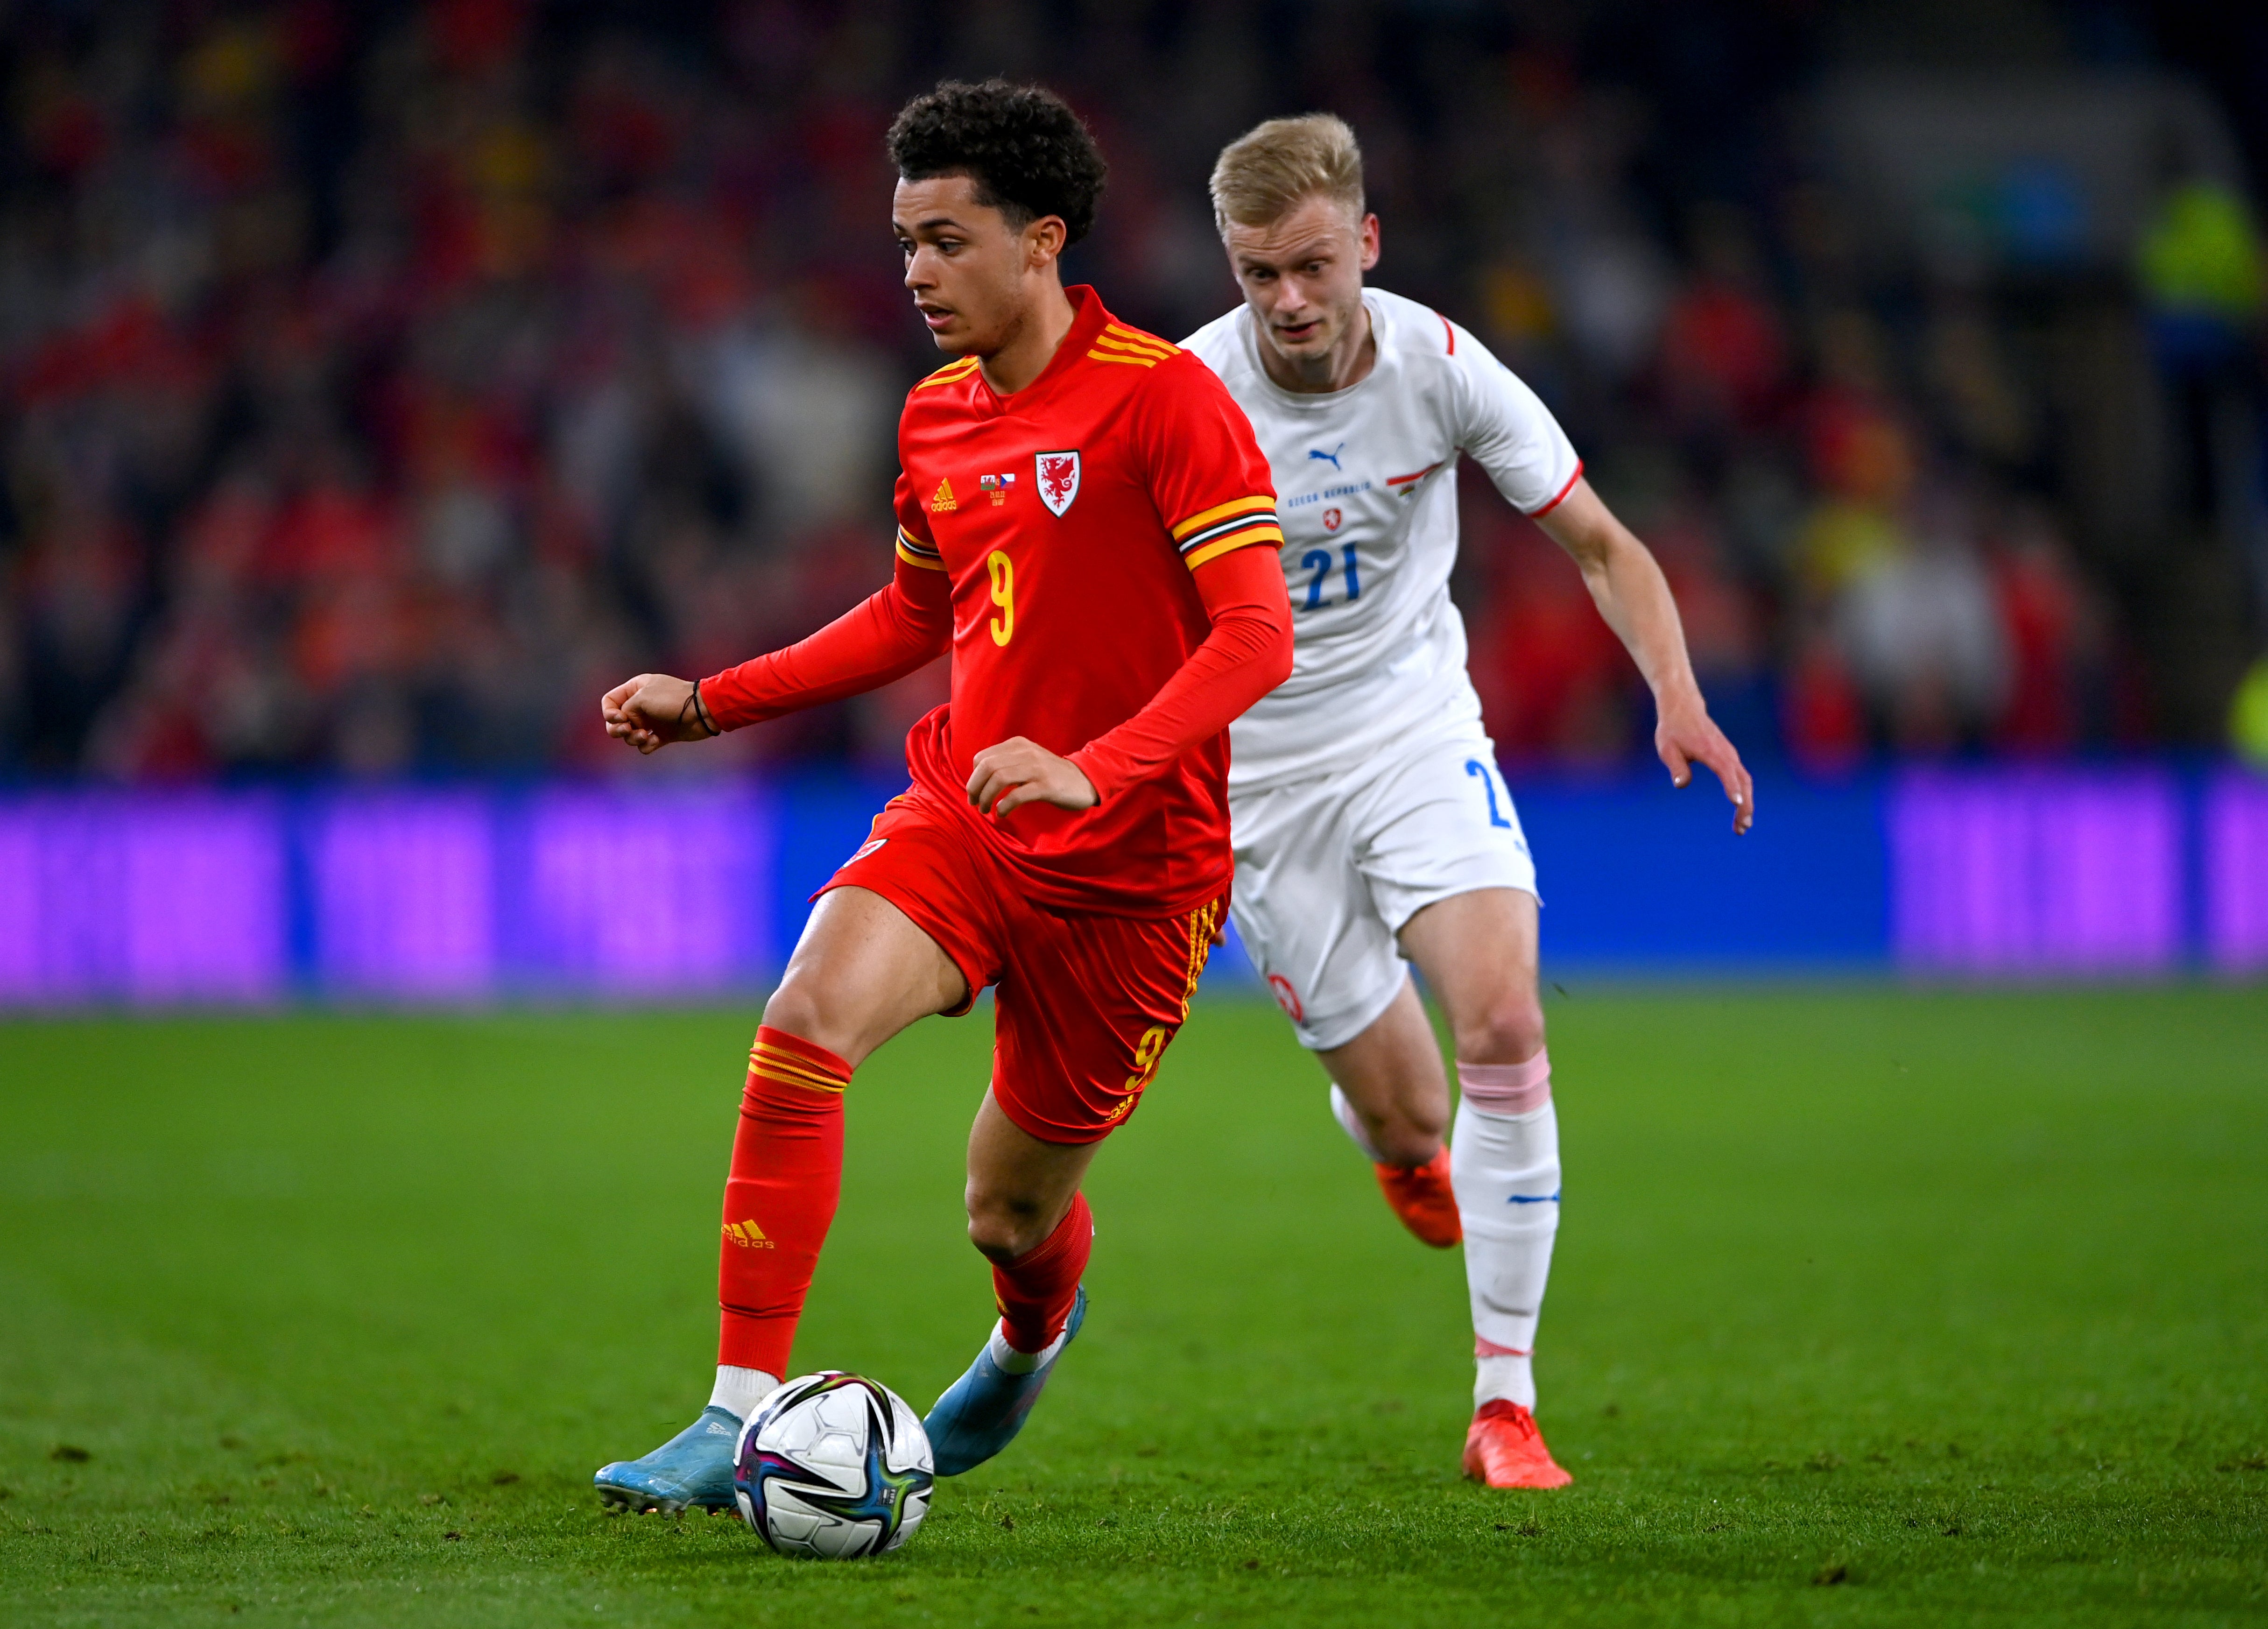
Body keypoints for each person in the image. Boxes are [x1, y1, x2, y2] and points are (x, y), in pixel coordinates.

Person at [590, 81, 1293, 1513]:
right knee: (803, 1016)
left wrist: (1091, 766)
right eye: (904, 240)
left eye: (947, 240)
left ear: (1041, 242)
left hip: (1134, 873)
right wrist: (713, 699)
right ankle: (734, 1411)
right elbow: (911, 618)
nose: (915, 272)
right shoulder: (932, 420)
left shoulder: (1166, 400)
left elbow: (1254, 637)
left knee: (1008, 1206)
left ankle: (1028, 1338)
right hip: (966, 815)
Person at [1181, 115, 1752, 1490]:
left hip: (1411, 727)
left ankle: (1504, 1403)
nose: (1289, 302)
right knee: (1406, 1116)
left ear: (1365, 243)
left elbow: (1604, 546)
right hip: (1258, 783)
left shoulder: (1443, 368)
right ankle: (1391, 1139)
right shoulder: (1185, 400)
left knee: (1502, 1012)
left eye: (1312, 265)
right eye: (1258, 274)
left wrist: (1674, 691)